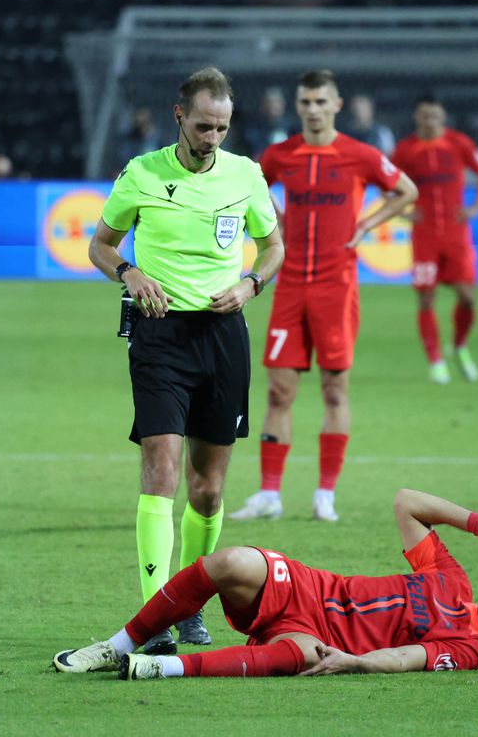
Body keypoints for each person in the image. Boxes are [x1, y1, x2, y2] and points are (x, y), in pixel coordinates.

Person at [86, 67, 285, 655]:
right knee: (161, 469)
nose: (213, 137)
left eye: (222, 127)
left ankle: (191, 603)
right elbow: (100, 243)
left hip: (224, 337)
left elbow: (273, 246)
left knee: (208, 490)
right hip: (159, 334)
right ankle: (154, 617)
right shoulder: (141, 174)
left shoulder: (246, 175)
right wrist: (131, 273)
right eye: (203, 126)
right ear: (180, 116)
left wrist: (251, 285)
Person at [54, 486, 478, 679]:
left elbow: (409, 658)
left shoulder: (471, 649)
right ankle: (115, 645)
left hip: (321, 640)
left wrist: (354, 662)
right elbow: (406, 501)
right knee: (229, 561)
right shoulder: (452, 579)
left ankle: (155, 667)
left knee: (296, 657)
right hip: (308, 588)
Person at [230, 69, 417, 524]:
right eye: (305, 103)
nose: (312, 109)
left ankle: (325, 495)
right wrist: (275, 218)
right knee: (278, 390)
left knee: (335, 390)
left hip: (337, 286)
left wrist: (368, 224)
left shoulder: (360, 155)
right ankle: (269, 495)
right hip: (290, 283)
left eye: (320, 102)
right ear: (298, 107)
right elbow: (247, 185)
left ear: (336, 105)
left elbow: (406, 190)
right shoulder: (282, 155)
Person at [391, 96, 478, 385]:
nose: (430, 121)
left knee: (468, 297)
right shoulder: (405, 150)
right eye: (425, 116)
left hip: (456, 233)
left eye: (435, 116)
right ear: (417, 118)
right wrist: (403, 212)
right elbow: (386, 183)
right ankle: (436, 361)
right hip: (425, 236)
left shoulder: (458, 143)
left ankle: (459, 346)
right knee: (426, 298)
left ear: (442, 117)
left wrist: (475, 207)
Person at [242, 87, 293, 160]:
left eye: (277, 102)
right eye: (269, 102)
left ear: (283, 104)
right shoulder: (254, 130)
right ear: (263, 105)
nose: (273, 106)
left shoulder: (292, 128)